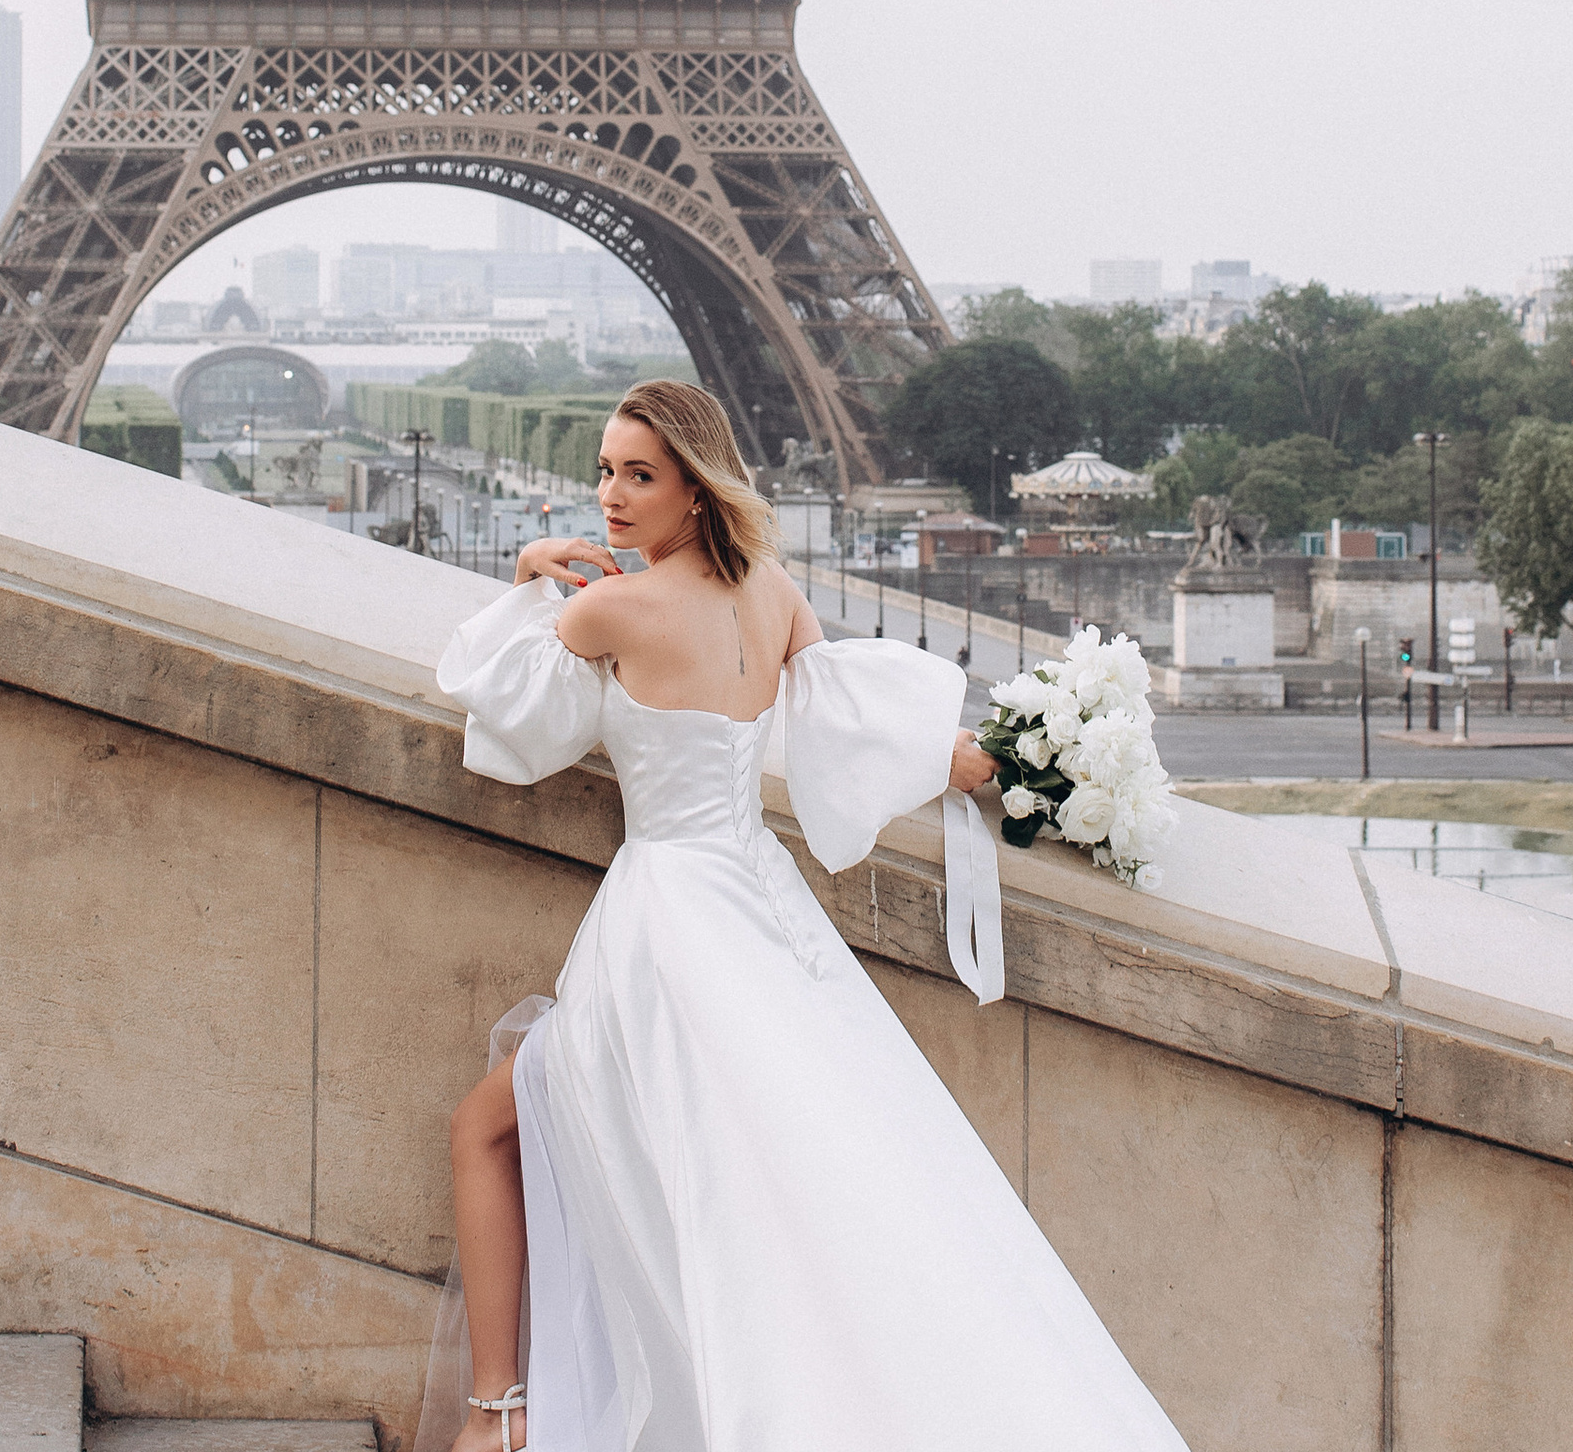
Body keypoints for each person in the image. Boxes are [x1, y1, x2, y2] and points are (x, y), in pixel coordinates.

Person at [430, 379, 1189, 1452]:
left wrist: (523, 581)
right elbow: (849, 730)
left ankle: (495, 1413)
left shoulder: (608, 609)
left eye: (636, 473)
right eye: (603, 469)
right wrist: (1021, 767)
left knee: (514, 1131)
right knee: (791, 1172)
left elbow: (506, 714)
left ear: (695, 489)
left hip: (666, 923)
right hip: (761, 908)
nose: (608, 493)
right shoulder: (777, 595)